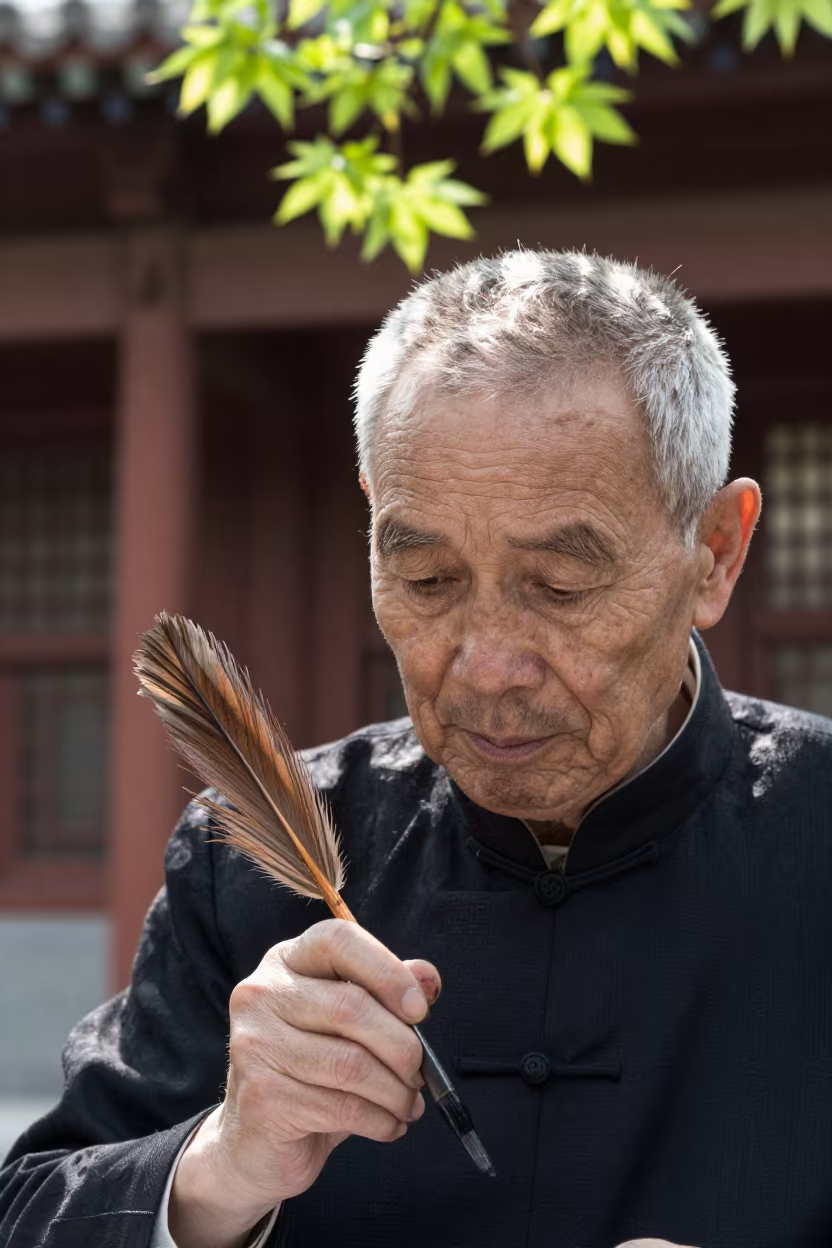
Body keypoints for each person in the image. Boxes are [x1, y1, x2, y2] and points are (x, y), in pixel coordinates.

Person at [2, 249, 831, 1248]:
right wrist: (223, 1166)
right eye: (428, 579)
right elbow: (34, 1207)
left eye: (560, 588)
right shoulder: (251, 868)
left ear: (716, 551)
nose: (483, 668)